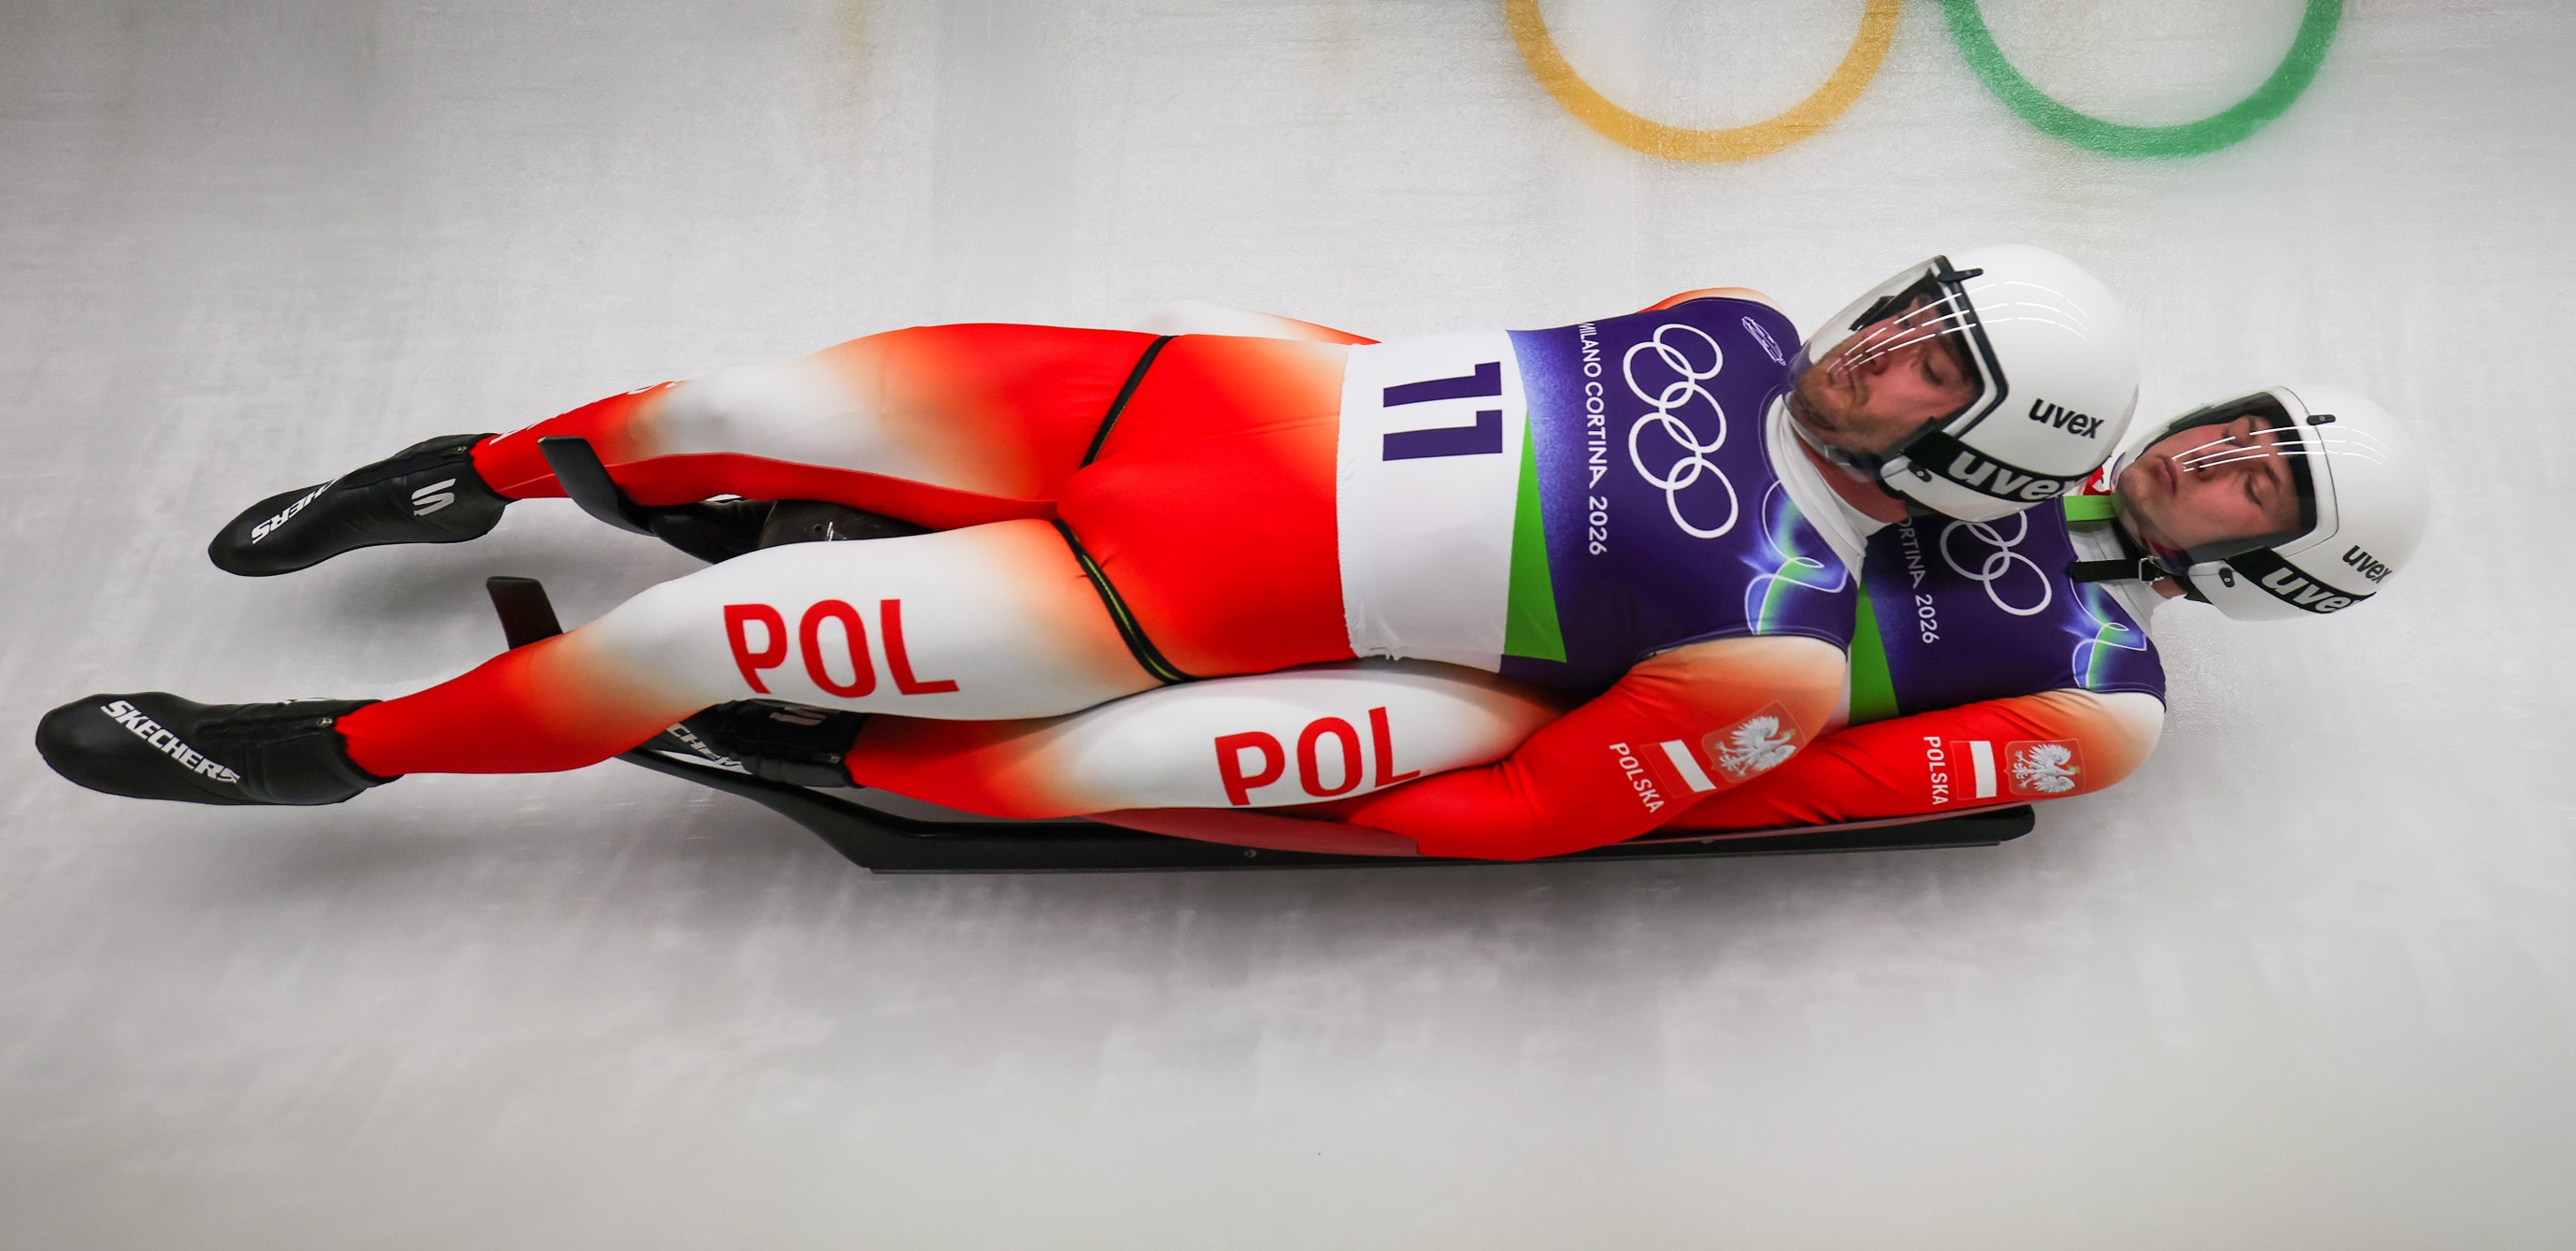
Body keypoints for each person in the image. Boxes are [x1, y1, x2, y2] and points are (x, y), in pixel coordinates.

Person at [36, 248, 2141, 831]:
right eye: (1907, 309)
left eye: (1928, 372)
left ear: (1976, 458)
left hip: (1140, 603)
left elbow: (1517, 813)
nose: (1874, 349)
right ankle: (470, 468)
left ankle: (340, 754)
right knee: (738, 406)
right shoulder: (1742, 318)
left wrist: (1170, 791)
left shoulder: (1771, 637)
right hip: (1152, 396)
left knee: (729, 626)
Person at [784, 383, 2427, 858]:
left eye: (2257, 489)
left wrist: (1595, 777)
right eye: (2240, 428)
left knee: (1221, 741)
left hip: (1565, 699)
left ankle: (898, 759)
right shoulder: (2021, 415)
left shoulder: (2105, 698)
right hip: (1533, 544)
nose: (2212, 453)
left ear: (2263, 572)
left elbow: (1792, 787)